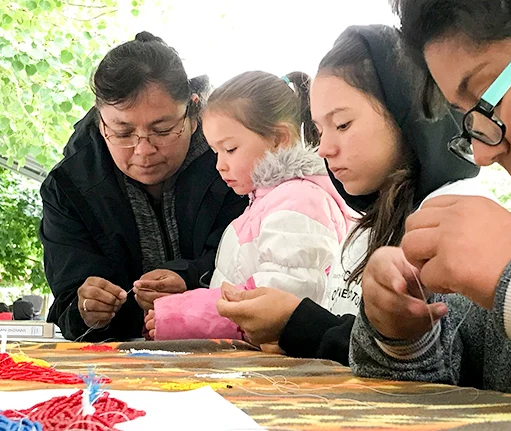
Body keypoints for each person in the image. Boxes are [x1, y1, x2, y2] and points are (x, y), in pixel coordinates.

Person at [350, 0, 511, 403]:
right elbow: (451, 387)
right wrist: (405, 334)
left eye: (489, 100)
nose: (484, 154)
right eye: (468, 119)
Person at [214, 25, 482, 364]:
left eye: (342, 125)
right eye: (320, 129)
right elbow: (351, 335)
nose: (324, 148)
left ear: (408, 114)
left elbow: (435, 369)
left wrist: (298, 323)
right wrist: (288, 333)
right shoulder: (367, 226)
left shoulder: (452, 219)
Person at [39, 32, 247, 341]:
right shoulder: (68, 187)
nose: (143, 150)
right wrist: (86, 310)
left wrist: (189, 279)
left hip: (230, 351)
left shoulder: (235, 162)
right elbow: (69, 303)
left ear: (192, 113)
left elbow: (258, 266)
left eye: (162, 130)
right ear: (100, 121)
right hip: (120, 363)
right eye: (123, 133)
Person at [144, 70, 356, 340]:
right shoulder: (266, 203)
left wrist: (181, 316)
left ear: (279, 139)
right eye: (216, 152)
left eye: (230, 149)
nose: (220, 165)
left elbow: (278, 298)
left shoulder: (299, 203)